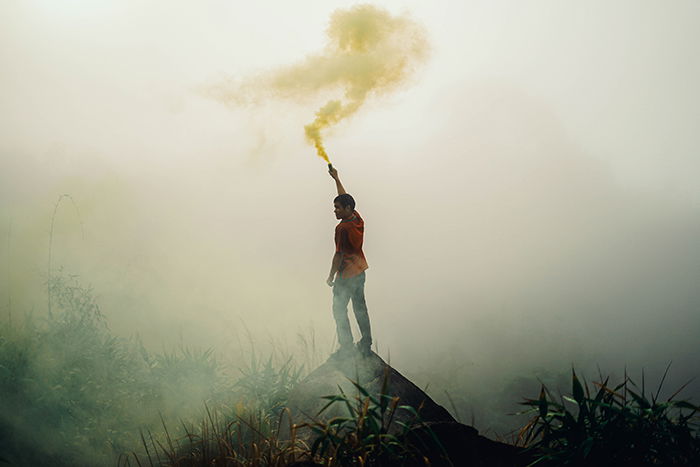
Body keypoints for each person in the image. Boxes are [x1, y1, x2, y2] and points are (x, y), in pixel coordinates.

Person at [327, 165, 372, 357]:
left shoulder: (342, 228)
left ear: (347, 209)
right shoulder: (356, 218)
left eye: (337, 207)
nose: (335, 210)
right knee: (360, 308)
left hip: (346, 276)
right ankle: (366, 342)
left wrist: (330, 277)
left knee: (339, 309)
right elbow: (346, 197)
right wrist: (336, 179)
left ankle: (346, 347)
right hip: (360, 271)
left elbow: (338, 255)